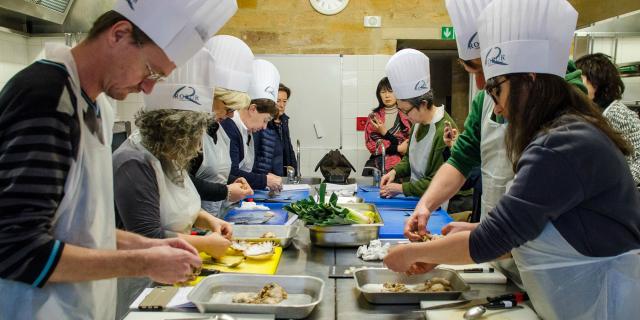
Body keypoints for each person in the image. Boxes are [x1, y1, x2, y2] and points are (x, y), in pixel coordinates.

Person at [385, 0, 640, 319]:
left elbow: (500, 236)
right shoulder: (567, 130)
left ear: (529, 80)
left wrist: (412, 253)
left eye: (495, 90)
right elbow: (535, 226)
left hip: (603, 303)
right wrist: (474, 230)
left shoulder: (560, 144)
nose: (498, 108)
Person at [0, 0, 237, 318]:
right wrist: (144, 261)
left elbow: (84, 229)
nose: (148, 86)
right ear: (119, 34)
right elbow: (15, 248)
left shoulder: (97, 104)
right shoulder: (47, 97)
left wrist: (152, 247)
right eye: (152, 71)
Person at [402, 0, 588, 285]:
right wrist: (427, 206)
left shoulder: (566, 125)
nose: (480, 88)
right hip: (503, 252)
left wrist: (434, 251)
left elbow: (531, 213)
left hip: (559, 268)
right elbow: (461, 158)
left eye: (486, 75)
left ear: (529, 77)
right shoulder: (488, 102)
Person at [113, 49, 233, 318]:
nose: (197, 144)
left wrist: (210, 222)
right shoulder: (134, 162)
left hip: (176, 272)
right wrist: (206, 245)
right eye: (193, 136)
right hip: (143, 283)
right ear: (171, 132)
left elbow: (180, 204)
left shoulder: (169, 155)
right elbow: (148, 236)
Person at [378, 49, 459, 206]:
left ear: (423, 104)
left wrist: (401, 188)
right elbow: (410, 158)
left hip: (440, 205)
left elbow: (437, 181)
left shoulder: (444, 130)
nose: (405, 116)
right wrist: (394, 172)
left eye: (406, 111)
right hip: (419, 200)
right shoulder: (417, 124)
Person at [189, 35, 255, 216]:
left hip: (214, 218)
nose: (231, 115)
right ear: (210, 97)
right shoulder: (188, 134)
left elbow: (214, 174)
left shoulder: (218, 130)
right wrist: (225, 191)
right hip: (194, 221)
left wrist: (234, 180)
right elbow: (182, 182)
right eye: (228, 108)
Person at [576, 53, 640, 185]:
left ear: (596, 82)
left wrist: (620, 186)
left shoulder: (617, 113)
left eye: (580, 79)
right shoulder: (593, 111)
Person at [222, 59, 282, 191]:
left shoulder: (247, 131)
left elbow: (247, 170)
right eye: (265, 120)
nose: (264, 127)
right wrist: (264, 179)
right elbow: (231, 173)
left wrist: (265, 176)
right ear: (252, 109)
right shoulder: (230, 127)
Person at [363, 77, 412, 175]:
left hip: (401, 169)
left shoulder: (408, 116)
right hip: (376, 168)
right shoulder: (374, 117)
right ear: (379, 95)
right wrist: (397, 148)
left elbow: (408, 145)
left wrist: (384, 134)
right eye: (383, 92)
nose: (387, 95)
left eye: (391, 91)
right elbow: (372, 145)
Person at [253, 83, 298, 176]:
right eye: (278, 101)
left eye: (284, 101)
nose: (282, 105)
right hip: (267, 176)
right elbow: (257, 152)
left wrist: (296, 173)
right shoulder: (264, 122)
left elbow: (289, 149)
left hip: (283, 176)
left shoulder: (284, 121)